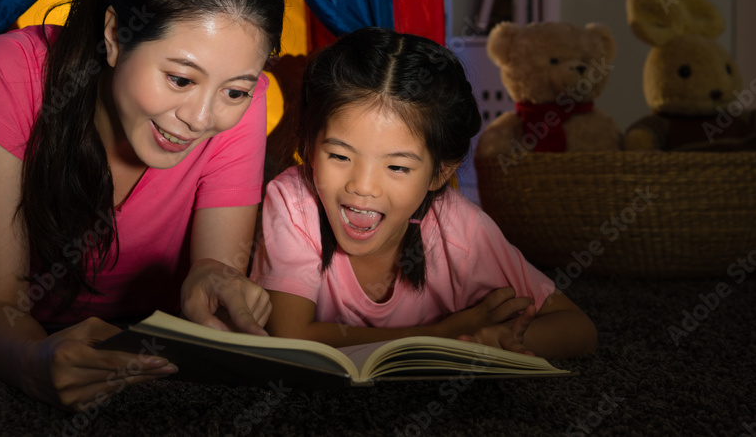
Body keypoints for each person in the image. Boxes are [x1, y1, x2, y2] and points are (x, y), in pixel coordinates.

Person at [0, 0, 285, 410]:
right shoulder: (10, 75)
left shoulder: (243, 104)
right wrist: (32, 361)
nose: (201, 119)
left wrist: (215, 279)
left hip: (145, 346)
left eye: (236, 90)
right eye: (180, 79)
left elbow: (214, 270)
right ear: (116, 34)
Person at [251, 27, 597, 359]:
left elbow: (578, 328)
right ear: (309, 148)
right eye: (340, 156)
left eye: (398, 167)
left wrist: (494, 341)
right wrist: (441, 336)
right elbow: (290, 336)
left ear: (440, 172)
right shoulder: (292, 200)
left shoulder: (462, 232)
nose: (363, 186)